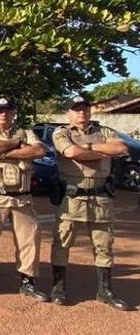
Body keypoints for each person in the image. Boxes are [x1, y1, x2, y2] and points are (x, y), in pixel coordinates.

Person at [50, 95, 130, 310]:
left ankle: (105, 291)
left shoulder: (104, 131)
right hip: (72, 197)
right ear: (68, 113)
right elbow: (71, 152)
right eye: (76, 109)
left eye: (85, 108)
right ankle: (58, 288)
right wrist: (101, 149)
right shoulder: (62, 132)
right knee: (62, 243)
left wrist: (88, 149)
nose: (81, 113)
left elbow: (121, 148)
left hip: (101, 197)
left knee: (104, 245)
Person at [0, 95, 49, 301]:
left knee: (30, 240)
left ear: (13, 113)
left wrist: (4, 153)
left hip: (22, 198)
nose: (4, 114)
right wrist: (17, 145)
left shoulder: (26, 132)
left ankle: (27, 282)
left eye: (8, 111)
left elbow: (40, 150)